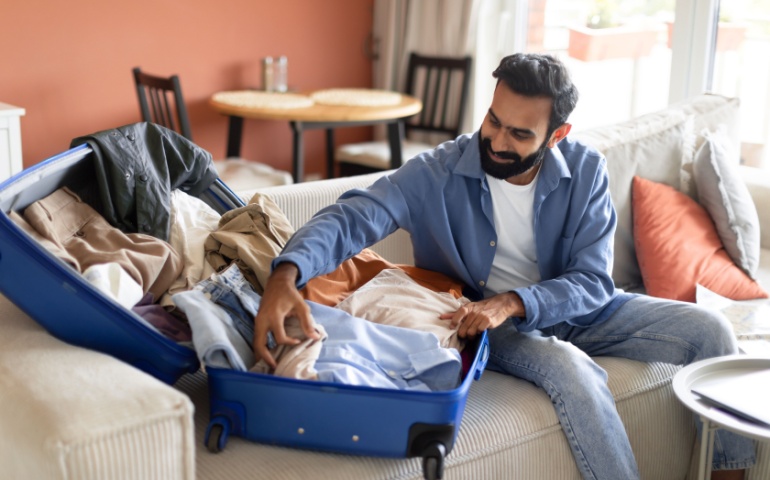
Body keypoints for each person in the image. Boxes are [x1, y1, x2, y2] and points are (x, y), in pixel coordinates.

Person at [253, 53, 755, 480]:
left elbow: (594, 280)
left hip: (575, 309)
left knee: (710, 329)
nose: (495, 140)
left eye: (519, 133)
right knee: (572, 369)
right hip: (486, 323)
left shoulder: (585, 171)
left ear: (558, 134)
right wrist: (286, 273)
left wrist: (515, 300)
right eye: (493, 120)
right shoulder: (436, 172)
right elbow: (352, 216)